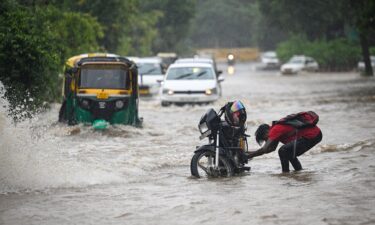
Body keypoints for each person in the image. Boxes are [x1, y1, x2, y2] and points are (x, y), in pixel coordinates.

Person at [247, 114, 322, 172]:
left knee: (283, 151)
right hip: (316, 135)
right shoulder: (275, 131)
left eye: (265, 138)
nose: (267, 141)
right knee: (288, 152)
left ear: (266, 131)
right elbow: (271, 149)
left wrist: (249, 156)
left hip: (312, 135)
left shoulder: (274, 130)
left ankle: (285, 173)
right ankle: (298, 171)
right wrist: (249, 153)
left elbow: (265, 148)